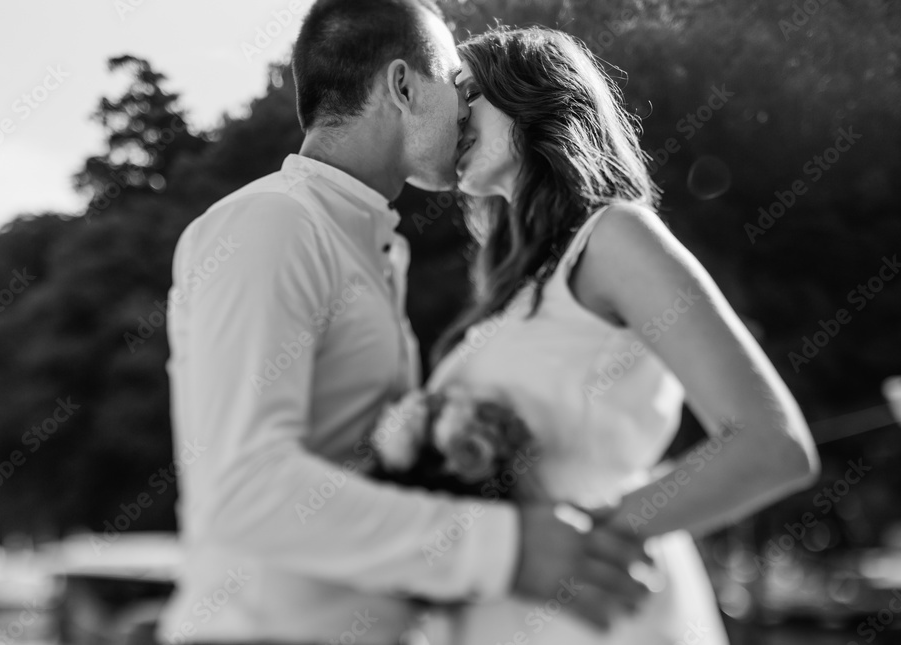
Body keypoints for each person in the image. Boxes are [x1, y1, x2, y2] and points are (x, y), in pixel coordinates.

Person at [156, 3, 650, 644]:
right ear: (403, 86)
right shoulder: (270, 224)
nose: (467, 112)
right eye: (458, 86)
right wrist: (506, 549)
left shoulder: (376, 246)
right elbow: (243, 491)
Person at [423, 26, 821, 644]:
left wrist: (575, 542)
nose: (451, 114)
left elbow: (772, 446)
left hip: (598, 609)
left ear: (533, 94)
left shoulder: (614, 237)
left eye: (468, 92)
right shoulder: (508, 294)